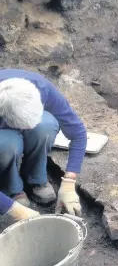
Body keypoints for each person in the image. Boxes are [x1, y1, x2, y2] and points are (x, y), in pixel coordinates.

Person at [0, 69, 87, 221]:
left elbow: (78, 133)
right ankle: (11, 187)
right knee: (7, 144)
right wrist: (11, 208)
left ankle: (36, 179)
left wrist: (69, 182)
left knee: (45, 127)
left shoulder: (42, 88)